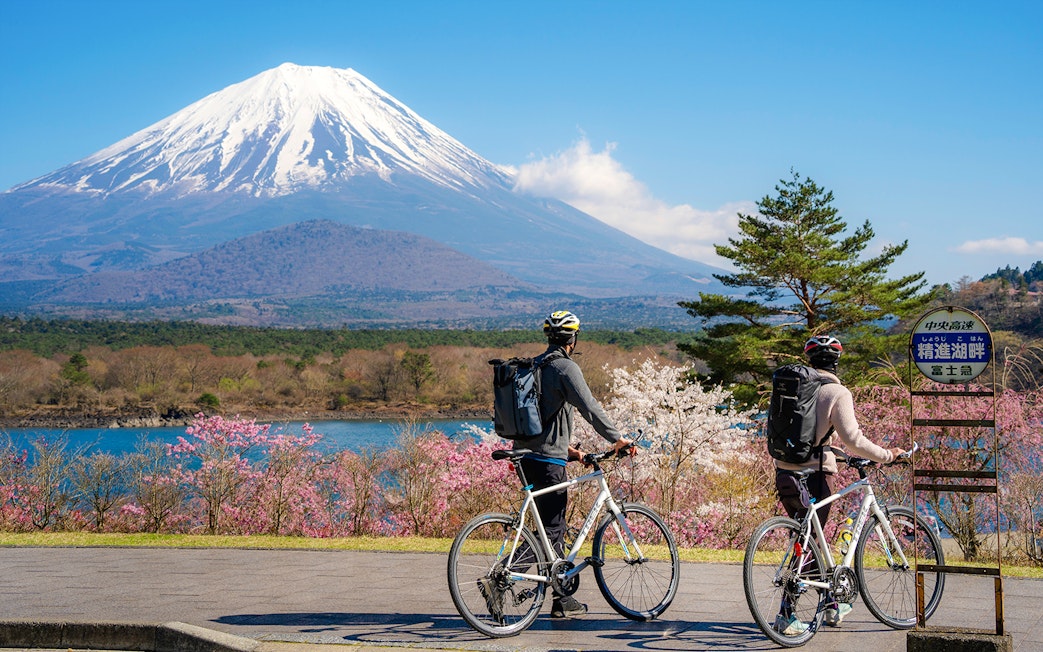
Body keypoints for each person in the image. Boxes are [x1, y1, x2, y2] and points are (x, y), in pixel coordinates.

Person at [773, 335, 906, 634]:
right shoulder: (837, 392)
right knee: (810, 544)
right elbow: (853, 438)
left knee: (809, 540)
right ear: (836, 361)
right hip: (816, 476)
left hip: (784, 473)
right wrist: (887, 455)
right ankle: (786, 613)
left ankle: (832, 604)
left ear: (810, 360)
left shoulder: (794, 389)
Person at [518, 310, 633, 618]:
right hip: (546, 461)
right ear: (573, 339)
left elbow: (540, 422)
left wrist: (573, 453)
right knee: (552, 528)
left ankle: (561, 597)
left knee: (548, 530)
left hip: (527, 456)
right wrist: (616, 439)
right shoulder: (566, 368)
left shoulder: (534, 366)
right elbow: (590, 408)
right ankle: (502, 579)